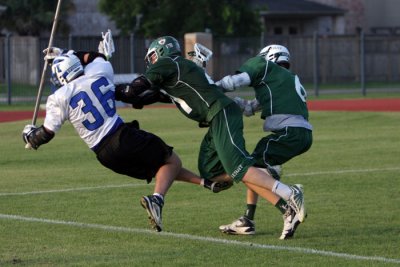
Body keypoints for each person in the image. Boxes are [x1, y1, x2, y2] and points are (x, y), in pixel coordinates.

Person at [21, 41, 228, 233]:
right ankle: (156, 200)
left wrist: (30, 136)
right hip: (121, 136)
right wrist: (65, 52)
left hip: (104, 155)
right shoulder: (99, 71)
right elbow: (95, 56)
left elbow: (46, 134)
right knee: (171, 160)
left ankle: (205, 183)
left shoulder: (58, 97)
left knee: (162, 166)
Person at [116, 36, 307, 239]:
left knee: (238, 168)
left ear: (161, 52)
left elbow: (135, 88)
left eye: (152, 56)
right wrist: (119, 95)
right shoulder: (177, 71)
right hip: (215, 118)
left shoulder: (169, 62)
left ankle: (288, 193)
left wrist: (110, 90)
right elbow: (145, 96)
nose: (151, 61)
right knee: (212, 172)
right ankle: (270, 198)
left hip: (221, 113)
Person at [216, 44, 313, 239]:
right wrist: (233, 102)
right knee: (254, 170)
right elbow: (251, 107)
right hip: (299, 134)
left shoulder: (267, 68)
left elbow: (235, 81)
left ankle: (288, 202)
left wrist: (213, 88)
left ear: (269, 58)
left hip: (289, 132)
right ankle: (248, 219)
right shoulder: (283, 82)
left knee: (247, 169)